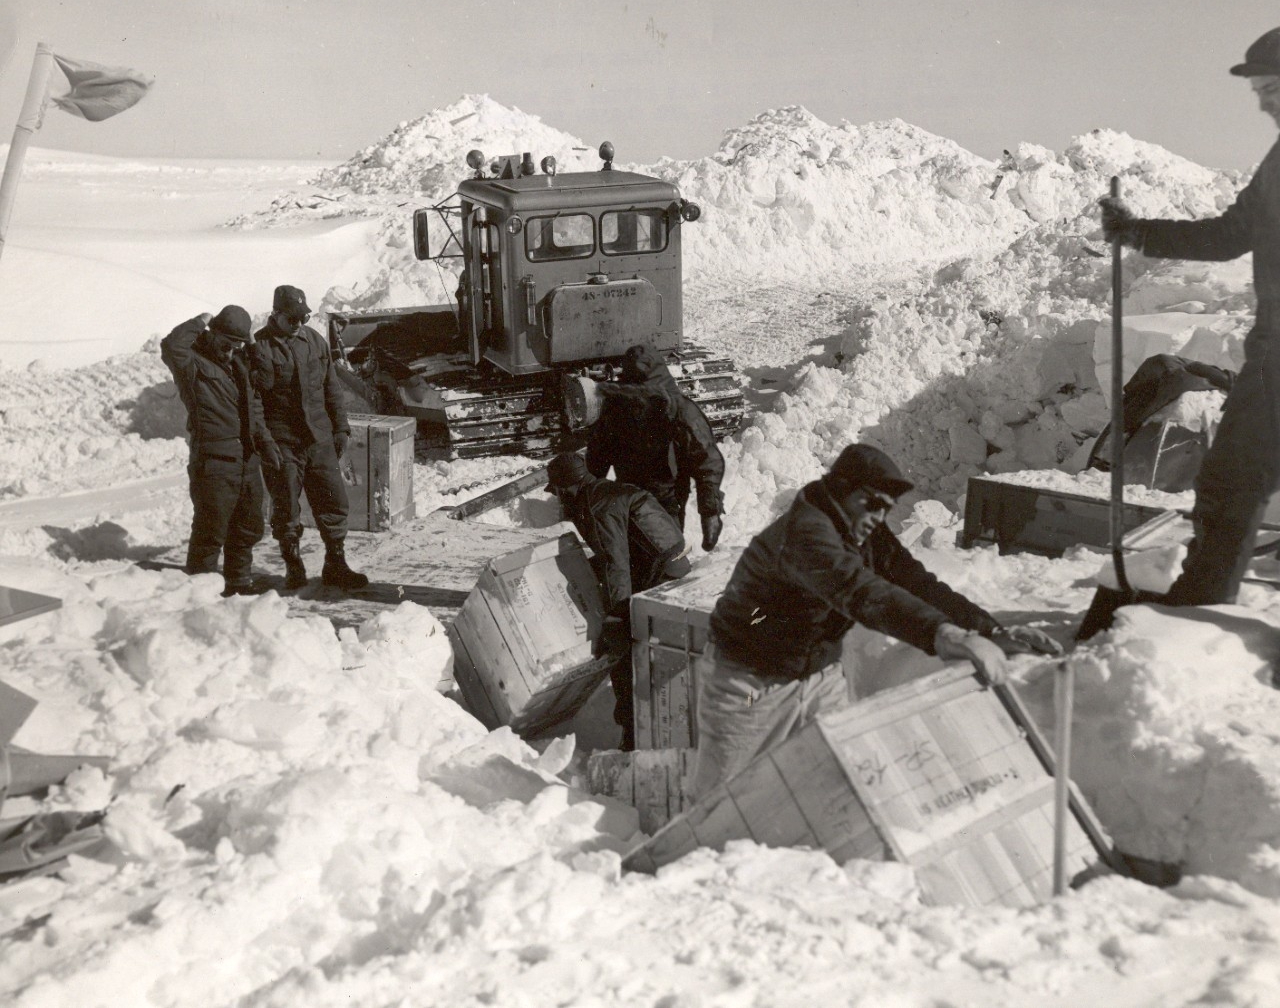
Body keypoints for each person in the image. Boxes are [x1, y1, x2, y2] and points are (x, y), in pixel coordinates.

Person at [691, 443, 1062, 800]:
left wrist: (989, 630)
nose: (878, 517)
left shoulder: (859, 526)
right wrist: (943, 635)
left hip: (820, 679)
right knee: (717, 805)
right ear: (840, 490)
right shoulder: (807, 533)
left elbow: (916, 583)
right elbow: (861, 592)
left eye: (885, 508)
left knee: (835, 792)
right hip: (748, 683)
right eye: (870, 503)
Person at [1100, 27, 1280, 606]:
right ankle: (1202, 604)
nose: (1261, 100)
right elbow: (1230, 235)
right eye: (1259, 88)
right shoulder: (1279, 161)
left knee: (1236, 479)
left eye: (1271, 86)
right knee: (1231, 480)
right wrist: (1135, 231)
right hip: (1272, 348)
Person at [546, 451, 692, 750]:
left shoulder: (598, 505)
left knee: (622, 650)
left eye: (558, 493)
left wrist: (616, 616)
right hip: (667, 564)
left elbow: (617, 562)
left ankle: (632, 736)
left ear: (565, 489)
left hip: (660, 574)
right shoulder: (606, 491)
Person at [249, 284, 367, 591]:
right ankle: (293, 565)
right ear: (276, 315)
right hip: (283, 442)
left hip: (319, 440)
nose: (299, 324)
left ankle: (336, 565)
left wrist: (341, 429)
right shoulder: (260, 348)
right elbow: (255, 403)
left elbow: (331, 389)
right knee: (286, 506)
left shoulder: (314, 340)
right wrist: (265, 442)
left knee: (334, 502)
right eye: (292, 318)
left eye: (303, 317)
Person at [161, 306, 281, 597]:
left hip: (246, 459)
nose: (229, 353)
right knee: (210, 531)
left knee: (248, 527)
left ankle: (239, 583)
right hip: (214, 462)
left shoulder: (240, 365)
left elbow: (255, 405)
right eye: (225, 345)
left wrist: (265, 442)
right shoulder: (193, 365)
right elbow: (171, 346)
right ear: (212, 335)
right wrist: (199, 321)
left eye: (235, 346)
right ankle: (200, 594)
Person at [586, 344, 726, 552]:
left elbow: (707, 460)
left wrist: (710, 512)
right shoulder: (616, 406)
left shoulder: (679, 409)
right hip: (629, 491)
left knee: (666, 549)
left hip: (668, 494)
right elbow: (599, 452)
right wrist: (590, 494)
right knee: (637, 550)